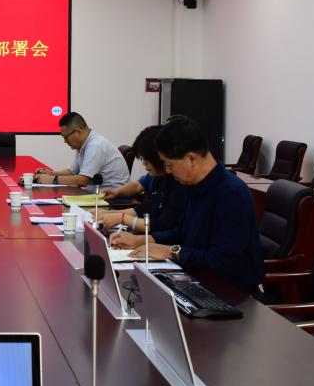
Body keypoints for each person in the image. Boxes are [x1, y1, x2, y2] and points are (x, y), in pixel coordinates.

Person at [110, 116, 265, 291]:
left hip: (228, 290)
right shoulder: (194, 184)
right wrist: (142, 242)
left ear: (191, 159)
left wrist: (171, 252)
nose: (167, 171)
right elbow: (182, 232)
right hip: (194, 277)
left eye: (169, 165)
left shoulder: (230, 194)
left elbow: (223, 261)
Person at [98, 125, 187, 235]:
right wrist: (110, 213)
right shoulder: (157, 177)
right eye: (141, 158)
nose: (144, 163)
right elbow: (144, 208)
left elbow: (162, 225)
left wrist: (123, 218)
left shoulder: (179, 183)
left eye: (146, 159)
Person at [34, 112, 129, 189]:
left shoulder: (95, 145)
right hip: (97, 194)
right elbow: (72, 172)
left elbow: (83, 180)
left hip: (113, 199)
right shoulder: (83, 145)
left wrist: (51, 179)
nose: (65, 141)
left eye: (66, 137)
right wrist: (51, 173)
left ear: (78, 132)